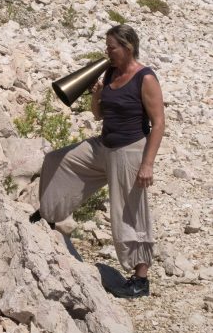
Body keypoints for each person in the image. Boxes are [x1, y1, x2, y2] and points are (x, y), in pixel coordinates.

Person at [31, 24, 165, 299]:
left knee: (129, 211)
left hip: (129, 151)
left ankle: (140, 280)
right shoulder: (110, 72)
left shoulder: (145, 78)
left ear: (127, 48)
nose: (107, 52)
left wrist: (147, 164)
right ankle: (48, 214)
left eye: (111, 47)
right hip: (104, 145)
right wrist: (97, 94)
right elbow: (98, 115)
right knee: (57, 160)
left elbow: (159, 123)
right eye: (107, 47)